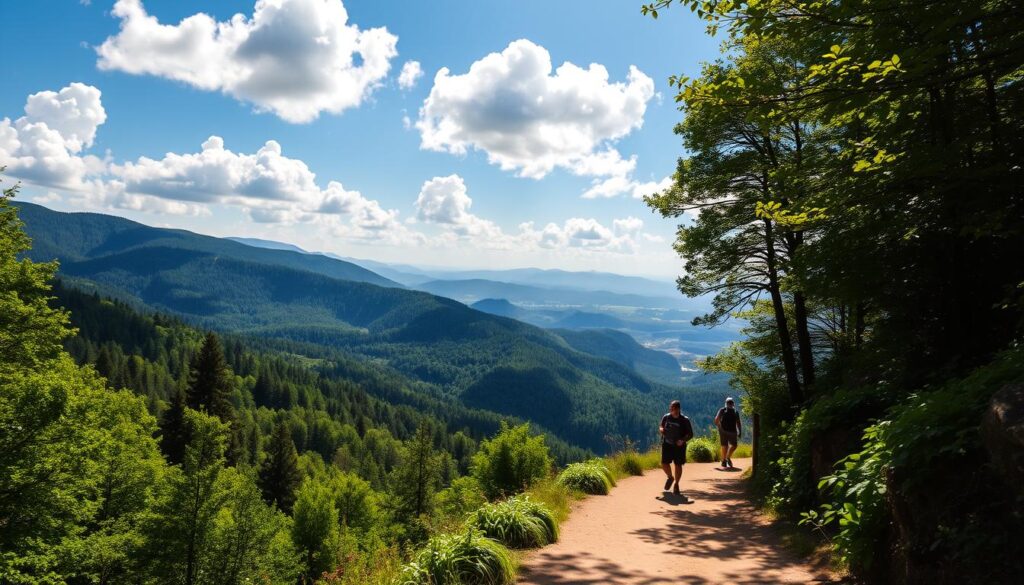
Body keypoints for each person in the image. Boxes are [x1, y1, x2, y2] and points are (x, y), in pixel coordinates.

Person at [659, 400, 694, 496]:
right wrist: (662, 430)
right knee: (664, 463)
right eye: (670, 408)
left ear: (678, 409)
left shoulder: (684, 420)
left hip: (679, 446)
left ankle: (676, 484)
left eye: (673, 408)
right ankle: (670, 477)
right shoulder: (666, 417)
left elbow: (690, 434)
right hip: (667, 444)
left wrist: (682, 440)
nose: (671, 410)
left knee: (678, 465)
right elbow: (661, 426)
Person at [714, 397, 742, 468]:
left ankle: (726, 457)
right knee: (725, 445)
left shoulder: (734, 412)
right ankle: (724, 460)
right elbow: (717, 419)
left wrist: (739, 431)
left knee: (733, 445)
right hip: (727, 431)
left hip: (731, 431)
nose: (729, 404)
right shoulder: (723, 410)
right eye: (728, 403)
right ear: (726, 403)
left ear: (733, 404)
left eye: (730, 403)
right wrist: (720, 427)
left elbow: (738, 422)